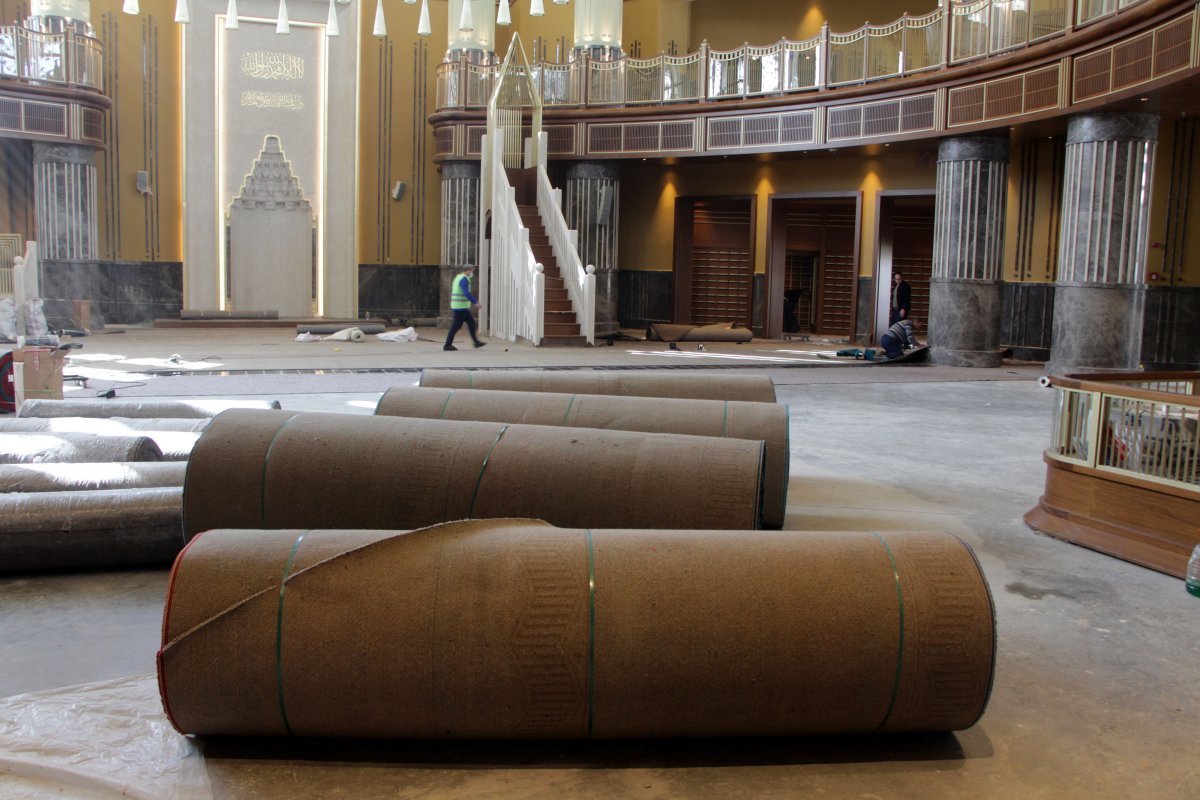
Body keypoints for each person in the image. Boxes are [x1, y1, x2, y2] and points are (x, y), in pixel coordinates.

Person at [444, 265, 486, 351]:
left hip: (461, 307)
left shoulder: (458, 277)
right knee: (455, 326)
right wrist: (476, 302)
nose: (472, 273)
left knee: (471, 323)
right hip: (460, 308)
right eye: (471, 270)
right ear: (467, 270)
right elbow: (466, 293)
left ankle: (476, 342)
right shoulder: (464, 279)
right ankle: (447, 345)